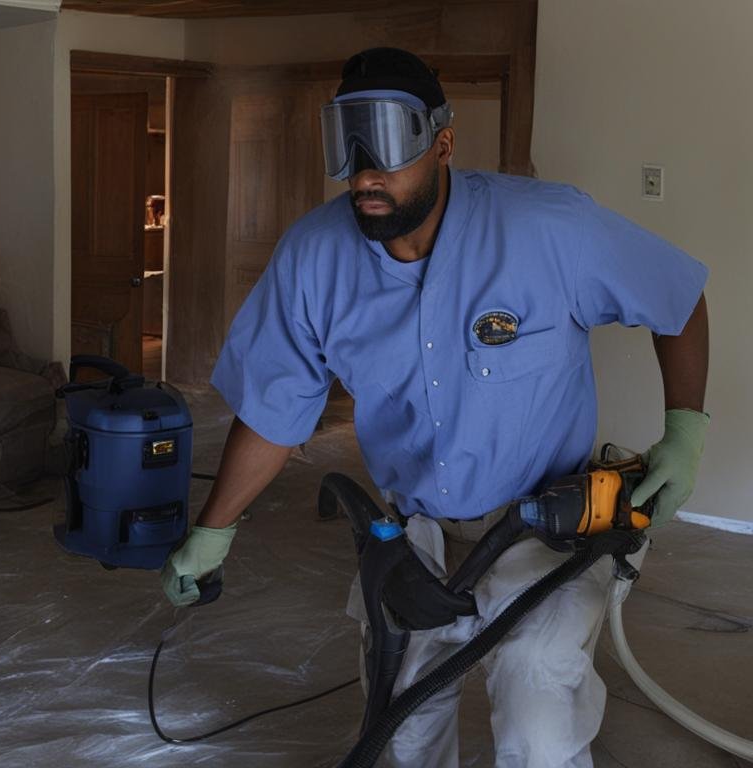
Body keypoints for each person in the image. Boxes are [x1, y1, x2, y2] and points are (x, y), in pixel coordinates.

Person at [159, 47, 710, 768]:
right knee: (406, 726)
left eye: (387, 141)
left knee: (539, 726)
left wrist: (685, 433)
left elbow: (676, 298)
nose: (364, 172)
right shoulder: (314, 258)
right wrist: (213, 531)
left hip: (545, 525)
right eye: (346, 141)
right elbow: (273, 408)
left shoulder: (547, 228)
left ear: (442, 143)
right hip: (411, 532)